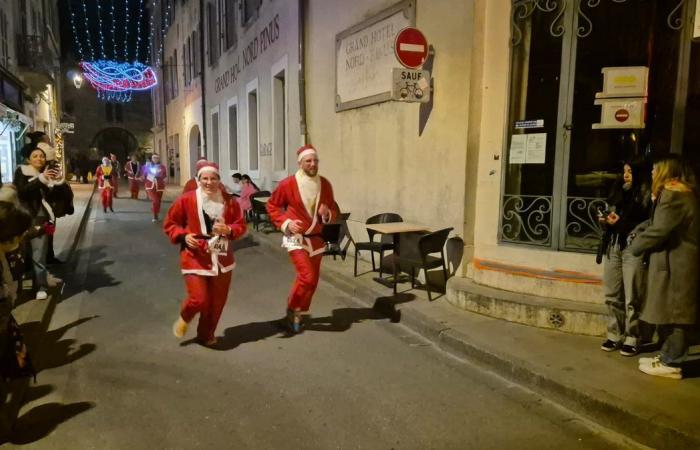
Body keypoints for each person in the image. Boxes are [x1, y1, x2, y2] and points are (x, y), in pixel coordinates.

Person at [630, 155, 699, 379]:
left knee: (678, 315)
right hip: (680, 262)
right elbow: (657, 224)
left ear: (666, 170)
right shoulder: (682, 193)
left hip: (677, 264)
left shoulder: (673, 195)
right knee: (673, 312)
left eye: (654, 169)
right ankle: (668, 355)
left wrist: (635, 245)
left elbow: (659, 230)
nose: (651, 173)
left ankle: (672, 363)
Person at [164, 161, 247, 346]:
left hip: (222, 258)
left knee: (217, 302)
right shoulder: (186, 200)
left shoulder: (229, 201)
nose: (209, 182)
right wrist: (184, 236)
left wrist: (229, 229)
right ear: (198, 180)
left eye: (213, 178)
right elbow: (170, 224)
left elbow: (241, 226)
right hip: (194, 256)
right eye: (205, 179)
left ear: (219, 180)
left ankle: (206, 334)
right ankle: (185, 317)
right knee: (199, 298)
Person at [266, 145, 338, 333]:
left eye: (315, 160)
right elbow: (272, 206)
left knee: (312, 282)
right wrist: (286, 223)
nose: (313, 164)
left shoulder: (326, 184)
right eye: (309, 161)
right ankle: (293, 308)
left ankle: (300, 312)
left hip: (316, 239)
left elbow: (334, 210)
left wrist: (328, 213)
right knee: (307, 276)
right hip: (295, 237)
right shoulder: (288, 184)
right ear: (300, 163)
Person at [598, 159, 651, 356]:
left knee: (632, 296)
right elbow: (610, 218)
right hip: (613, 246)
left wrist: (624, 224)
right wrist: (605, 221)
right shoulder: (617, 191)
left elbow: (647, 223)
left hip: (632, 248)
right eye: (624, 171)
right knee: (612, 293)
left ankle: (633, 336)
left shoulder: (646, 195)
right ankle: (614, 335)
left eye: (630, 171)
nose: (626, 175)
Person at [13, 144, 62, 300]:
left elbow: (53, 198)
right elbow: (23, 190)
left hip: (43, 218)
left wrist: (55, 182)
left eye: (41, 156)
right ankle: (19, 285)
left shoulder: (47, 173)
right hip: (24, 217)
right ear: (28, 159)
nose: (39, 158)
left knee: (40, 253)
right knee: (21, 253)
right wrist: (41, 179)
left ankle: (41, 285)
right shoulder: (22, 171)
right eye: (35, 156)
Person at [141, 154, 167, 222]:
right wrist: (150, 176)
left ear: (159, 159)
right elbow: (144, 176)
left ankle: (156, 211)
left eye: (157, 158)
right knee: (155, 200)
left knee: (158, 201)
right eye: (154, 158)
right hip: (150, 186)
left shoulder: (162, 166)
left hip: (160, 186)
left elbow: (163, 175)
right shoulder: (147, 166)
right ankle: (155, 216)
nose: (155, 159)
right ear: (151, 159)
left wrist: (156, 175)